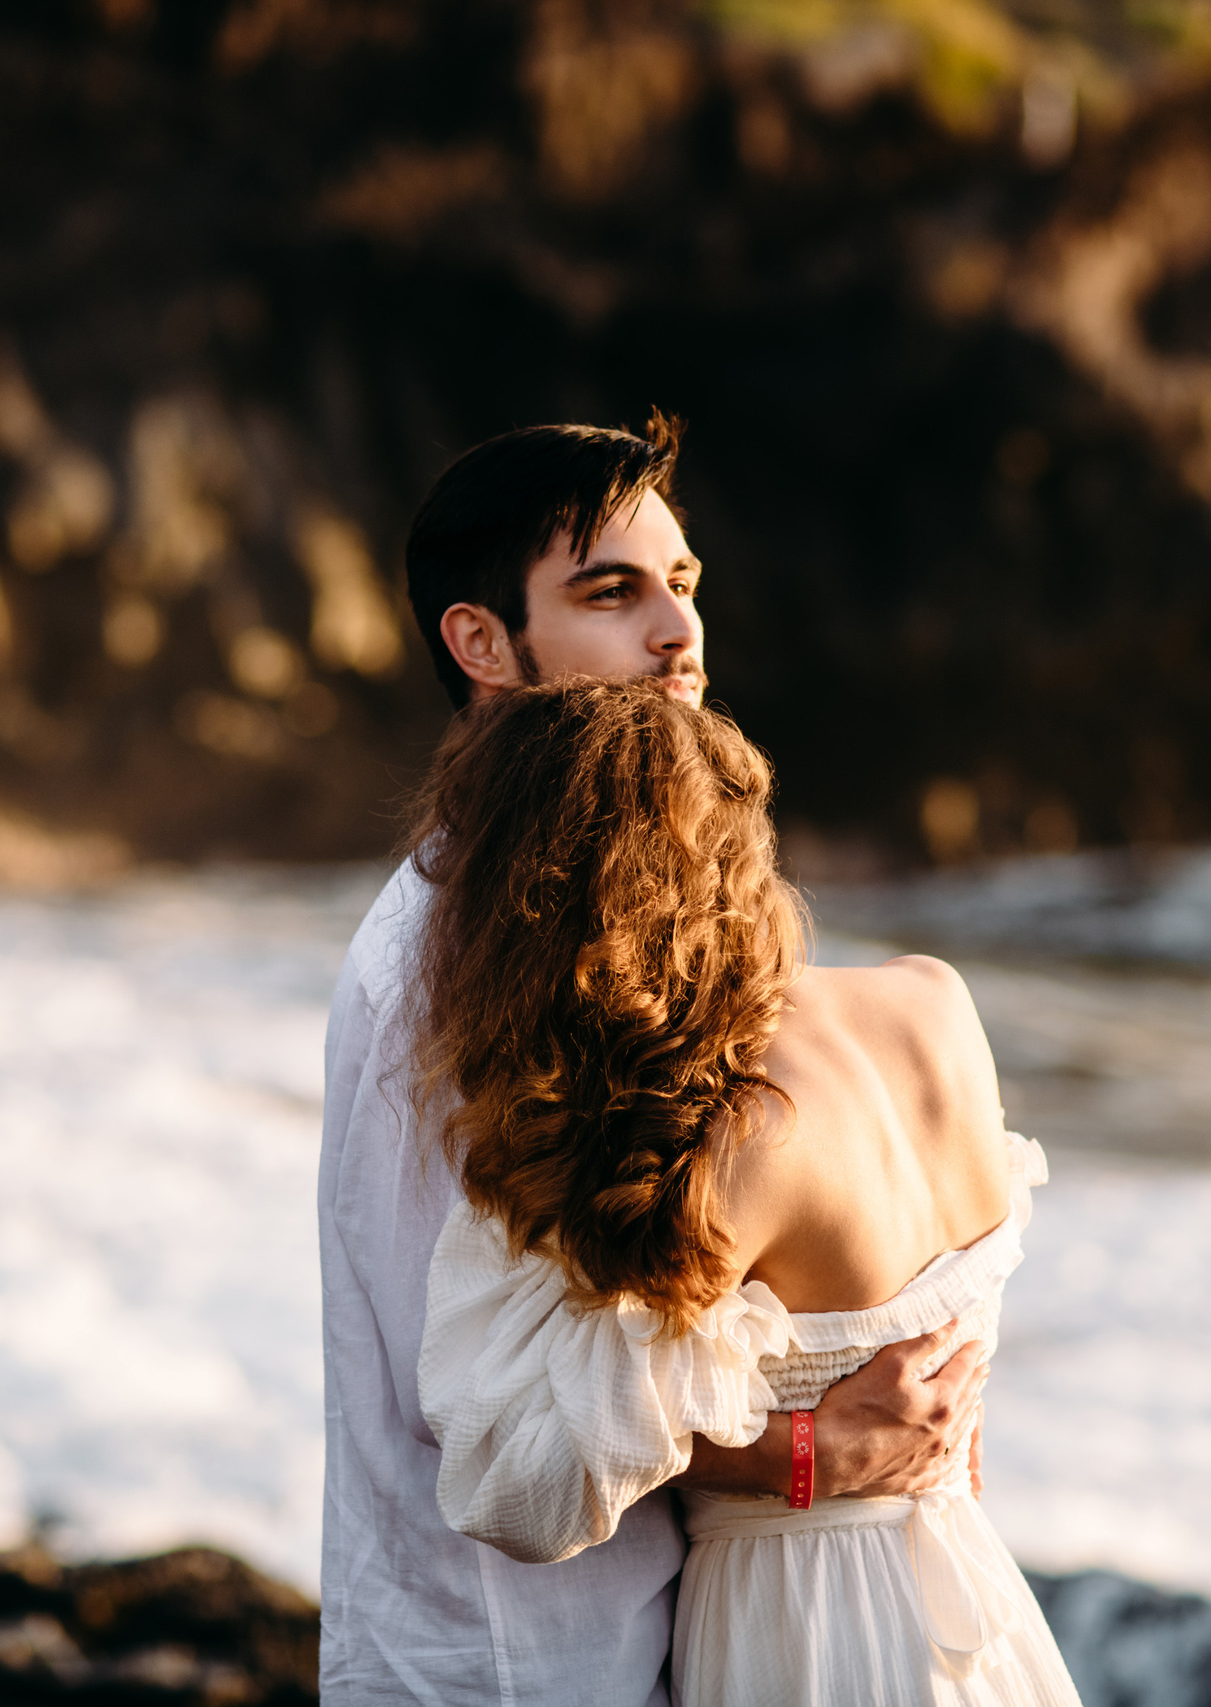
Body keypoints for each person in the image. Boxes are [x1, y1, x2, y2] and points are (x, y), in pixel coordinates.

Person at [318, 417, 988, 1705]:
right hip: (493, 1659)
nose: (676, 634)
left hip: (657, 1638)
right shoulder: (436, 959)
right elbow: (464, 1406)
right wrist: (804, 1457)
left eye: (681, 585)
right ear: (479, 643)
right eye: (609, 594)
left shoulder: (639, 909)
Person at [406, 677, 1080, 1706]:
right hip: (973, 1605)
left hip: (803, 1630)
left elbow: (516, 1489)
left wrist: (788, 1456)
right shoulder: (933, 1000)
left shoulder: (713, 1152)